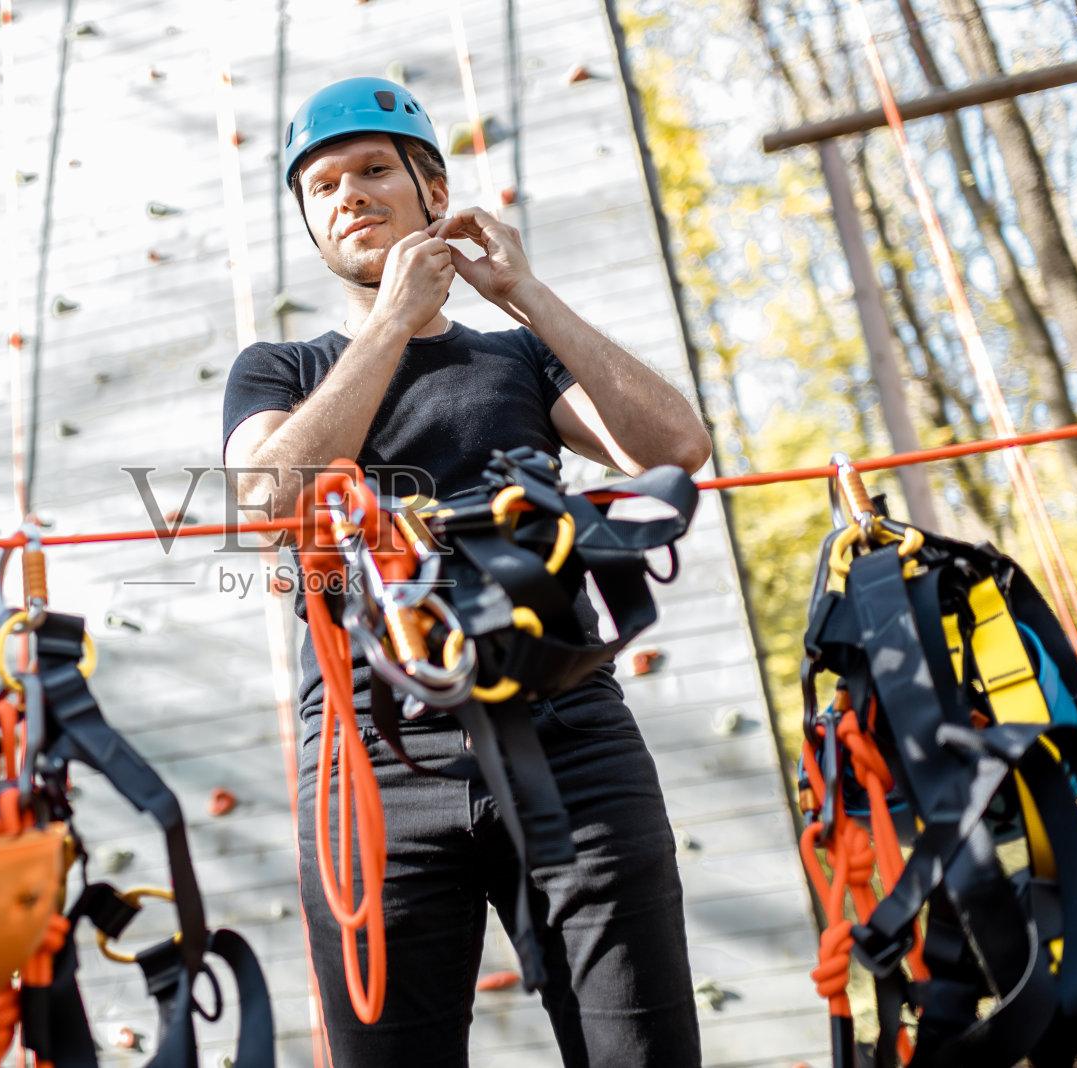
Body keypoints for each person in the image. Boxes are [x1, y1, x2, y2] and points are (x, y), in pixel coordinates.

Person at [222, 76, 712, 1067]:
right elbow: (266, 503)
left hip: (567, 734)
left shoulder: (520, 358)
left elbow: (674, 447)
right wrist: (388, 324)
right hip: (371, 758)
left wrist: (523, 293)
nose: (349, 196)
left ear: (433, 192)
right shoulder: (280, 369)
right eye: (322, 187)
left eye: (372, 170)